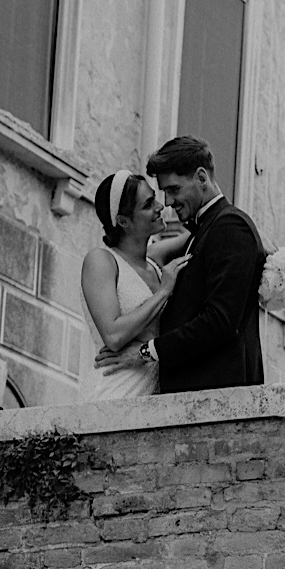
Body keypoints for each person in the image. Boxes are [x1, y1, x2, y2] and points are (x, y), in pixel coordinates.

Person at [96, 137, 265, 392]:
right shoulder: (205, 230)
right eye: (163, 192)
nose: (167, 202)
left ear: (201, 177)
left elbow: (219, 320)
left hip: (217, 398)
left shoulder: (230, 227)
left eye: (174, 189)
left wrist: (146, 351)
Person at [79, 168, 188, 398]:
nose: (160, 207)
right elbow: (114, 336)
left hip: (154, 395)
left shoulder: (155, 261)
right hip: (115, 391)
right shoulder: (101, 261)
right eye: (148, 204)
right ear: (122, 221)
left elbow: (204, 230)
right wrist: (163, 292)